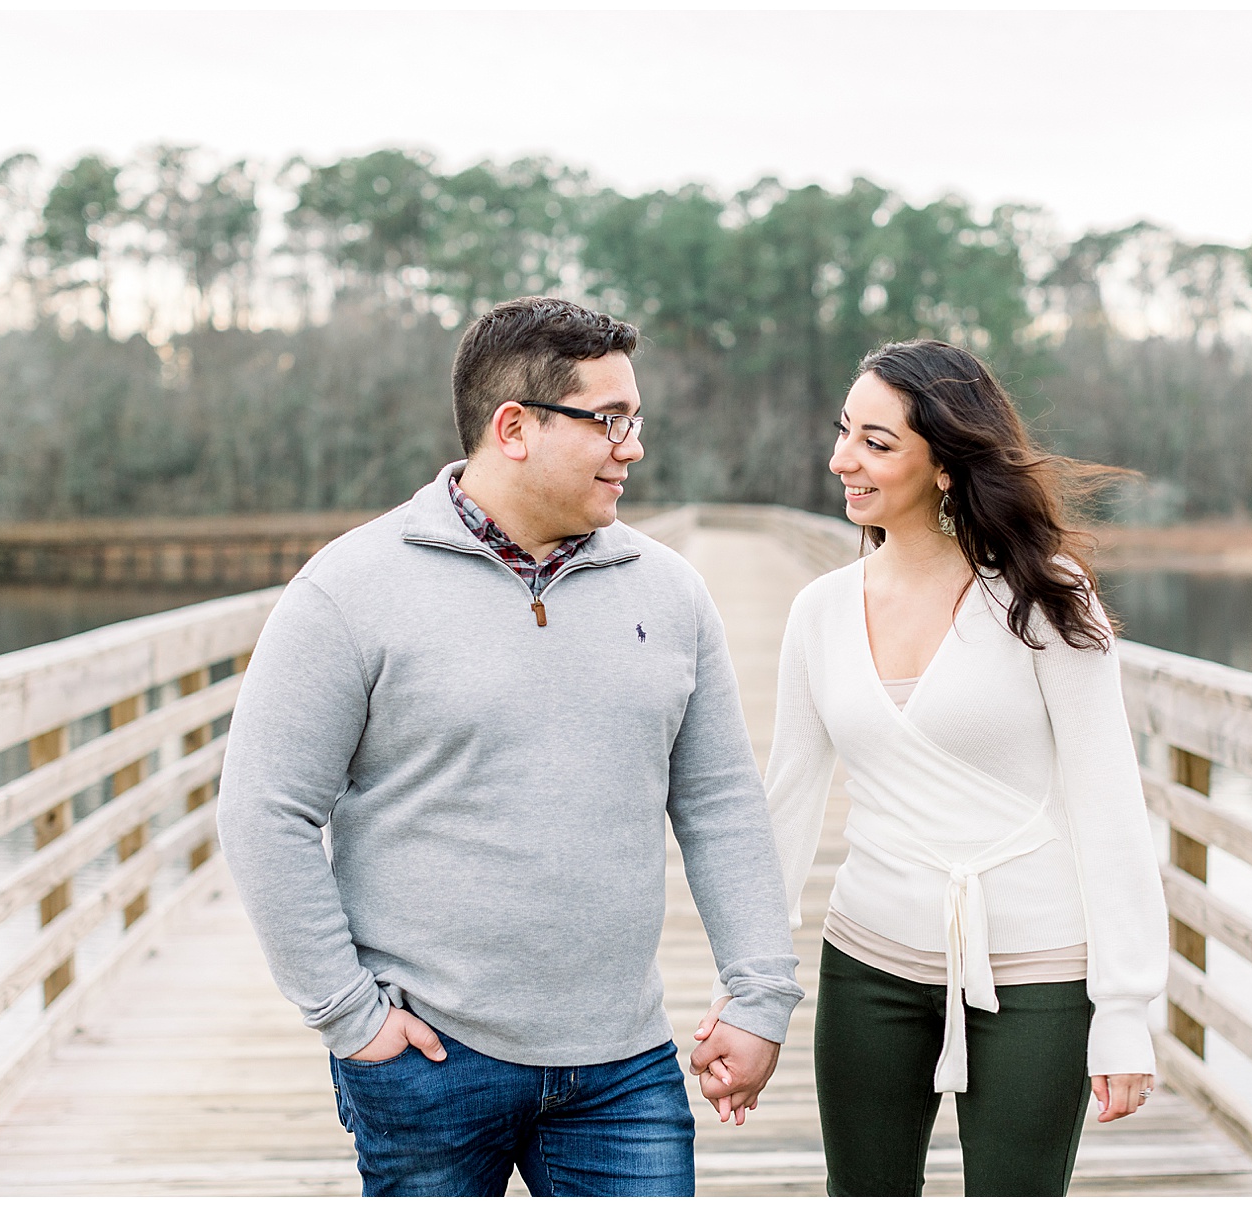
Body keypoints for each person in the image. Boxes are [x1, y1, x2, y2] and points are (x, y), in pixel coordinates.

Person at [216, 296, 803, 1197]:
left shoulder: (671, 591)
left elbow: (721, 804)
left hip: (625, 1065)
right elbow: (264, 810)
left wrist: (759, 992)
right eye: (609, 420)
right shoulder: (350, 588)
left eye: (635, 419)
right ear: (515, 427)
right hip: (429, 1059)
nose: (633, 447)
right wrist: (350, 1016)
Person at [700, 338, 1167, 1196]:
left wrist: (1126, 1008)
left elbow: (1109, 806)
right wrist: (749, 988)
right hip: (869, 958)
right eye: (844, 431)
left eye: (877, 442)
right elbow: (787, 810)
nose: (843, 459)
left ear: (946, 464)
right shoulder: (821, 611)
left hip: (1037, 969)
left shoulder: (1044, 597)